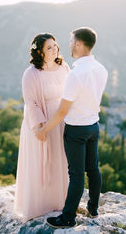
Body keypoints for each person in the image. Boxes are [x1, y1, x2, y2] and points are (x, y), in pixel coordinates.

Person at [36, 27, 108, 229]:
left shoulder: (75, 75)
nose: (68, 46)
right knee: (93, 169)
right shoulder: (101, 69)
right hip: (93, 126)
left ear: (78, 44)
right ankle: (93, 209)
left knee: (76, 175)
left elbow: (61, 112)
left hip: (76, 130)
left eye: (70, 41)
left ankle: (68, 218)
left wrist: (43, 131)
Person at [14, 33, 70, 223]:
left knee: (59, 160)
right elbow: (31, 102)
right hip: (41, 123)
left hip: (61, 121)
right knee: (41, 162)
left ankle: (59, 201)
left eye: (55, 45)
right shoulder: (31, 73)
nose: (54, 49)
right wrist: (40, 128)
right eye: (49, 47)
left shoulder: (64, 67)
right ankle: (39, 204)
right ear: (39, 51)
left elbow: (70, 93)